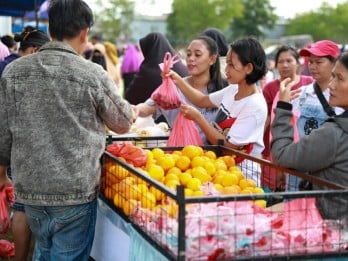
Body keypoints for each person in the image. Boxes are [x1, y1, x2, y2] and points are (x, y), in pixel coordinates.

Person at [0, 0, 134, 260]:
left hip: (30, 188)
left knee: (45, 250)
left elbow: (3, 133)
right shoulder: (92, 74)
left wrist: (2, 174)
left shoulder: (14, 71)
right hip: (74, 192)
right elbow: (123, 122)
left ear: (51, 30)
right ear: (84, 32)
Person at [167, 37, 268, 184]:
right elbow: (202, 101)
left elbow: (228, 147)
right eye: (226, 63)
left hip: (241, 179)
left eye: (231, 65)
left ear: (249, 68)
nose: (226, 70)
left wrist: (198, 118)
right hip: (220, 171)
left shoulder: (254, 105)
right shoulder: (233, 89)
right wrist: (177, 79)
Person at [270, 52, 348, 221]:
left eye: (339, 78)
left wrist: (283, 107)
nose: (331, 85)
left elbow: (282, 155)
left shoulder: (334, 134)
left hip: (331, 227)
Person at [0, 26, 50, 261]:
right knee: (24, 205)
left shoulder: (6, 64)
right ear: (35, 50)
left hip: (13, 148)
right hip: (23, 147)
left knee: (20, 205)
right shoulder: (19, 71)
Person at [134, 35, 228, 144]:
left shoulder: (223, 90)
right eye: (188, 54)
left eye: (197, 55)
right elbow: (149, 106)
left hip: (213, 157)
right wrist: (135, 109)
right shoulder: (173, 86)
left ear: (212, 59)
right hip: (180, 155)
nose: (191, 58)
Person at [288, 40, 343, 190]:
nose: (312, 66)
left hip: (329, 172)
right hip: (299, 167)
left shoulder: (342, 96)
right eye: (310, 62)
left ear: (334, 63)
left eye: (319, 62)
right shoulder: (302, 93)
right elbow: (290, 129)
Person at [261, 45, 314, 191]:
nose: (284, 65)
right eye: (281, 61)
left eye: (289, 60)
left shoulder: (309, 83)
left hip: (304, 148)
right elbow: (266, 118)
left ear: (298, 63)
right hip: (276, 144)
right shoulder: (270, 88)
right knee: (277, 190)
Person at [125, 32, 189, 105]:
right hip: (184, 112)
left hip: (152, 114)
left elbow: (130, 97)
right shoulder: (182, 67)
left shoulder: (147, 72)